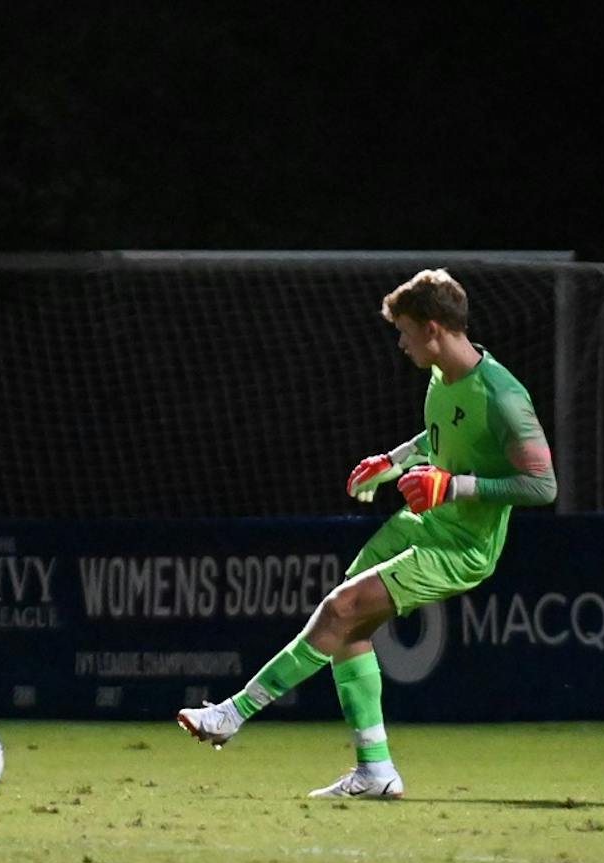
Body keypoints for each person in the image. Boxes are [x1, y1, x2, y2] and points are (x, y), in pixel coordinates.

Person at [177, 268, 557, 797]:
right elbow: (441, 434)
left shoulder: (504, 396)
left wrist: (453, 487)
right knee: (346, 629)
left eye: (403, 331)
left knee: (341, 609)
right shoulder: (443, 378)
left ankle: (232, 713)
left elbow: (542, 486)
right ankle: (375, 771)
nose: (400, 344)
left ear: (431, 329)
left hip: (462, 547)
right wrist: (394, 462)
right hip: (420, 522)